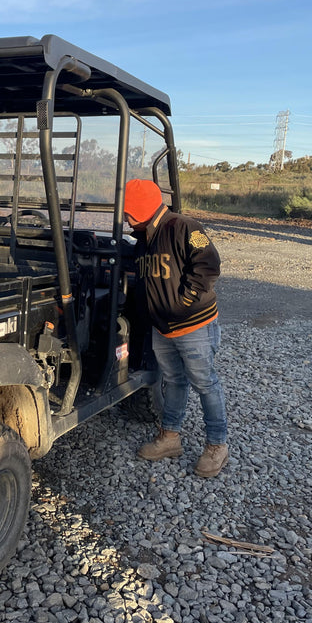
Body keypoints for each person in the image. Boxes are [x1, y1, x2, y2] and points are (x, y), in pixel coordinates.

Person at [124, 179, 228, 477]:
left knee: (204, 383)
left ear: (142, 207)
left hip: (193, 324)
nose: (125, 218)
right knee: (174, 381)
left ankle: (217, 445)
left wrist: (185, 301)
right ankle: (170, 437)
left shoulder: (187, 227)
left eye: (129, 212)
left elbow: (209, 264)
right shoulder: (144, 238)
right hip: (163, 329)